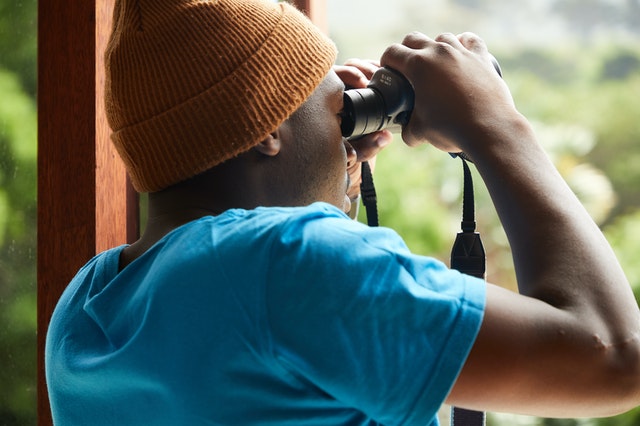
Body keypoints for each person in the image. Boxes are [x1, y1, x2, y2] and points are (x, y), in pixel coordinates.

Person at [45, 0, 640, 425]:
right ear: (267, 128)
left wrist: (327, 175)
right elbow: (616, 356)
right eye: (333, 103)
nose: (346, 118)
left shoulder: (87, 304)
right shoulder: (287, 261)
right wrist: (494, 123)